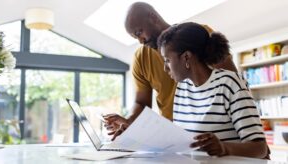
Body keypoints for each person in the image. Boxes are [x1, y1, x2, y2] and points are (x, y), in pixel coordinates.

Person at [104, 2, 237, 140]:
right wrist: (128, 122)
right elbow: (141, 103)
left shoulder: (198, 35)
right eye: (135, 37)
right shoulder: (141, 57)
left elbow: (231, 81)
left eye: (139, 32)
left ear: (153, 17)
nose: (140, 41)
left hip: (212, 131)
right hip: (173, 138)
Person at [156, 22, 269, 158]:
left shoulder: (229, 83)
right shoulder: (182, 89)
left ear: (186, 57)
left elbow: (260, 148)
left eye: (167, 60)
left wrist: (224, 148)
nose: (165, 68)